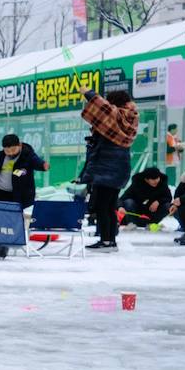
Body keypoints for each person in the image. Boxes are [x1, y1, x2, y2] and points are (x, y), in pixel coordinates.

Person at [77, 88, 138, 253]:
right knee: (110, 206)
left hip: (106, 168)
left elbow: (103, 107)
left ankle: (105, 240)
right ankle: (110, 240)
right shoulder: (130, 118)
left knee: (103, 207)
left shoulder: (116, 114)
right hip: (120, 168)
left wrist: (88, 92)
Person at [0, 134, 48, 206]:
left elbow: (36, 161)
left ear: (20, 145)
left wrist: (43, 165)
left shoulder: (27, 156)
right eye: (7, 151)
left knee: (16, 215)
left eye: (13, 150)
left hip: (18, 194)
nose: (11, 153)